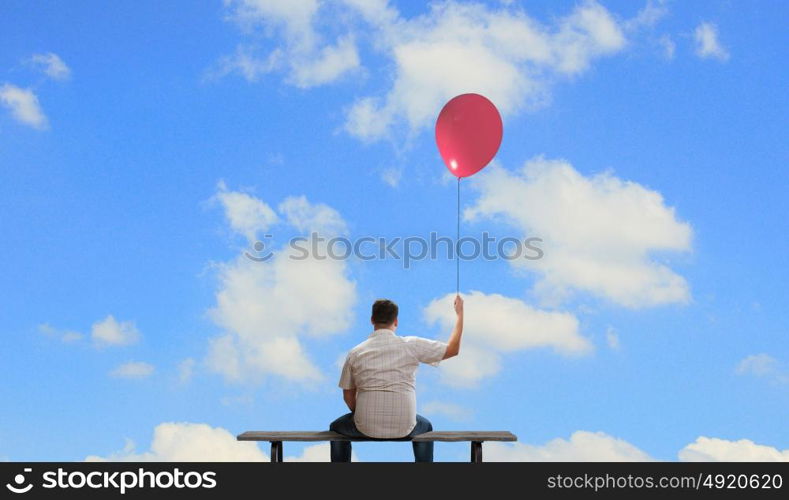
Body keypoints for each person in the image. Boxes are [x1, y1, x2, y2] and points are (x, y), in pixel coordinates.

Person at [330, 295, 464, 462]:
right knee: (426, 427)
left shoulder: (356, 352)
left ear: (372, 320)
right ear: (396, 321)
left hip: (365, 425)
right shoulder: (412, 345)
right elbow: (453, 350)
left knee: (335, 428)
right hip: (406, 425)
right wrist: (460, 314)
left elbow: (348, 396)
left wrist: (364, 415)